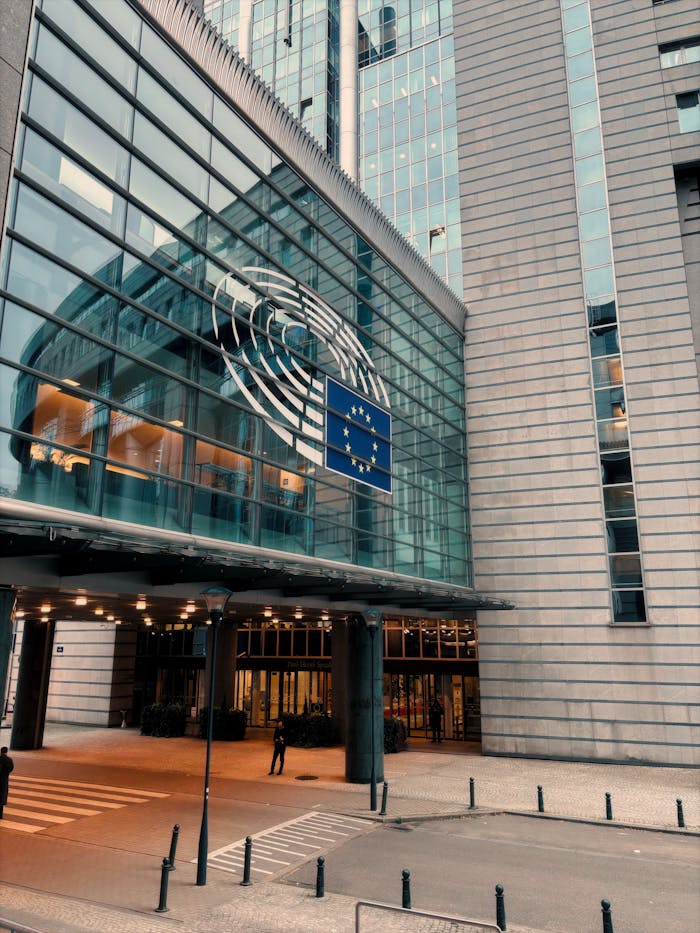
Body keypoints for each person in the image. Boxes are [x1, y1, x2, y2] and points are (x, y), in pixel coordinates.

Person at [0, 746, 13, 819]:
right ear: (6, 751)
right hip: (4, 780)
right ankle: (0, 815)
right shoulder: (9, 760)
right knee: (2, 797)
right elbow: (11, 769)